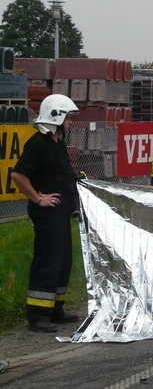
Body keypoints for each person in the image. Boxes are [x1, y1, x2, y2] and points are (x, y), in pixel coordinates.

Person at [10, 94, 82, 332]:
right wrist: (38, 198)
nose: (70, 123)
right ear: (56, 117)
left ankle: (55, 309)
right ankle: (38, 315)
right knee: (48, 262)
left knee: (63, 261)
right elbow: (18, 176)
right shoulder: (38, 143)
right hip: (48, 213)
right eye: (68, 118)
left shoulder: (56, 143)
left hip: (60, 212)